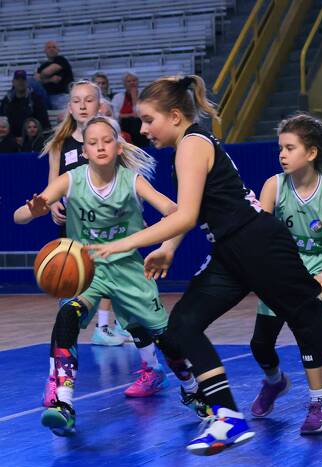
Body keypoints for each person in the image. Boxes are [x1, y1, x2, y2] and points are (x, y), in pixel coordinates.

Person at [90, 75, 322, 455]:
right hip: (231, 250)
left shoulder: (191, 145)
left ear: (174, 116)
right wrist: (169, 248)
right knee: (183, 325)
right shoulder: (189, 145)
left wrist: (123, 243)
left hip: (258, 244)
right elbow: (192, 211)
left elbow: (185, 215)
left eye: (148, 120)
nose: (142, 129)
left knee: (311, 325)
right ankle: (227, 416)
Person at [14, 115, 201, 435]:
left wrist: (166, 245)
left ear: (119, 146)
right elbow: (18, 217)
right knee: (67, 317)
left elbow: (176, 212)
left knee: (166, 338)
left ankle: (192, 388)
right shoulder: (71, 179)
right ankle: (63, 402)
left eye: (106, 140)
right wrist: (33, 211)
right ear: (84, 151)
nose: (100, 146)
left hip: (128, 268)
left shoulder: (132, 180)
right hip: (87, 269)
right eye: (93, 142)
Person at [249, 113, 322, 434]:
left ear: (311, 153)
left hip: (318, 269)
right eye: (280, 148)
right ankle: (274, 381)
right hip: (283, 268)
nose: (282, 154)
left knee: (307, 332)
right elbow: (259, 237)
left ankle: (319, 404)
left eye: (290, 148)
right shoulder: (274, 186)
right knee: (260, 343)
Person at [41, 80, 128, 345]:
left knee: (112, 275)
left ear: (99, 105)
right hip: (74, 225)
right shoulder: (60, 143)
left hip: (106, 223)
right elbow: (52, 184)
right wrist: (52, 204)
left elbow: (124, 180)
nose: (82, 106)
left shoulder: (109, 141)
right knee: (71, 280)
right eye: (76, 101)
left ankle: (107, 327)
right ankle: (68, 335)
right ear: (69, 107)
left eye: (88, 100)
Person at [0, 70, 51, 141]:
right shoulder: (7, 101)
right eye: (18, 80)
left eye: (23, 80)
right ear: (13, 82)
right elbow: (1, 121)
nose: (20, 82)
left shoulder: (36, 99)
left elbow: (44, 122)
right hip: (12, 140)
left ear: (27, 82)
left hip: (33, 138)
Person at [111, 72, 148, 148]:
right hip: (124, 125)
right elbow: (114, 114)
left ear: (138, 82)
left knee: (136, 121)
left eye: (134, 80)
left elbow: (138, 113)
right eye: (129, 81)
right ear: (124, 84)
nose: (132, 83)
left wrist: (134, 97)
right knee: (131, 121)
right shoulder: (117, 97)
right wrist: (130, 115)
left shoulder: (145, 95)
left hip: (140, 124)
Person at [35, 41, 74, 111]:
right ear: (45, 51)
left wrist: (42, 77)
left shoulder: (61, 60)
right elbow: (36, 79)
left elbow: (46, 73)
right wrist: (50, 80)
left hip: (62, 96)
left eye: (54, 47)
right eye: (49, 47)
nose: (51, 49)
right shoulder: (43, 65)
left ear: (58, 50)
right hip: (46, 97)